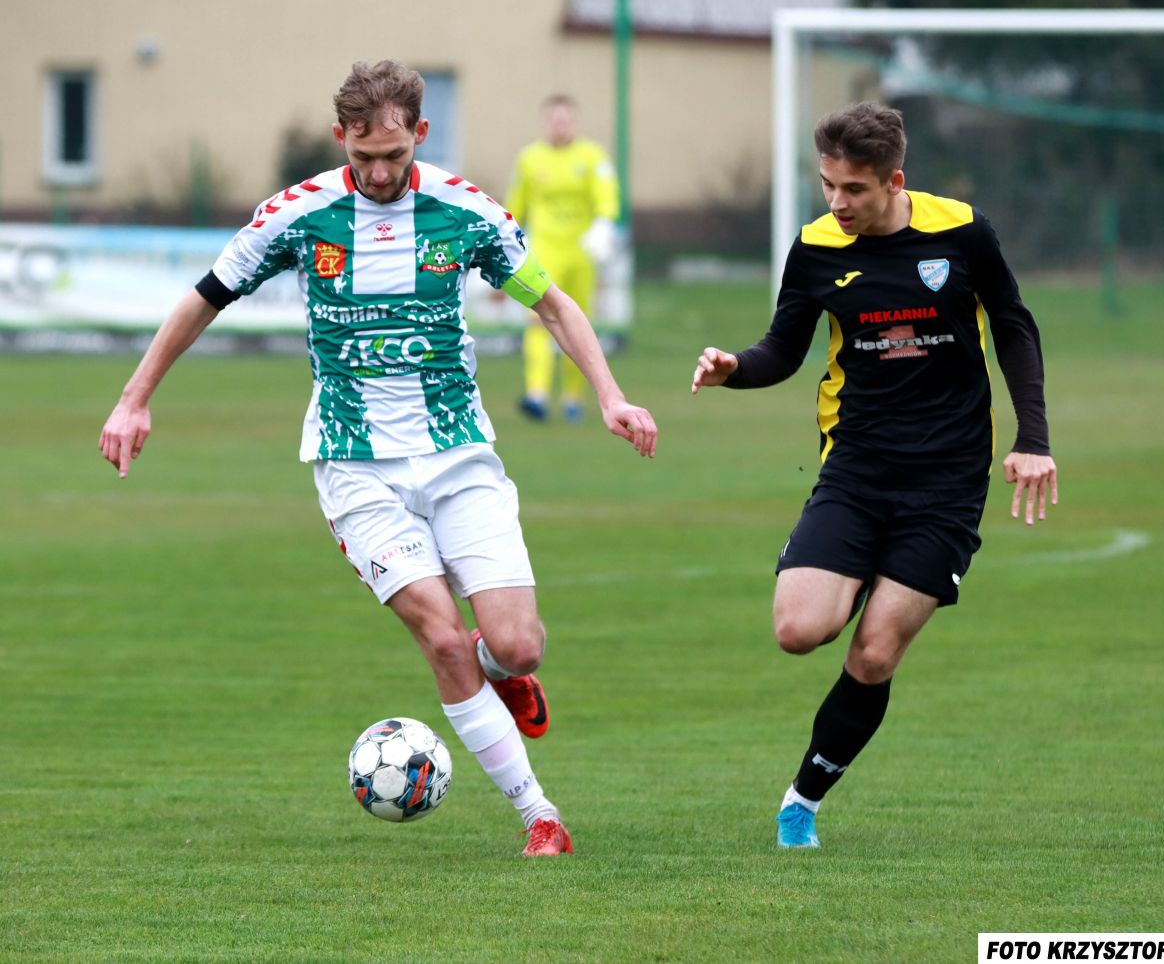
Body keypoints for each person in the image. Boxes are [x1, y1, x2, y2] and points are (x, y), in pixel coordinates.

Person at [99, 60, 658, 857]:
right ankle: (540, 816)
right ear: (342, 138)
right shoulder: (298, 215)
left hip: (458, 454)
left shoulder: (466, 213)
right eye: (363, 156)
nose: (380, 172)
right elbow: (205, 296)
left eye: (394, 154)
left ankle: (505, 671)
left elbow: (554, 304)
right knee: (441, 638)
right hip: (354, 463)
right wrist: (134, 398)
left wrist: (610, 396)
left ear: (420, 134)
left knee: (518, 645)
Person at [690, 102, 1057, 850]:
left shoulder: (962, 232)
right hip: (856, 467)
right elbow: (783, 349)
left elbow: (1014, 326)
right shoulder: (816, 247)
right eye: (827, 184)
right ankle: (846, 571)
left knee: (876, 652)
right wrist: (735, 368)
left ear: (894, 181)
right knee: (799, 630)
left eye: (853, 188)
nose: (836, 202)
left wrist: (1034, 439)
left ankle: (802, 801)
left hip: (948, 481)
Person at [506, 94, 620, 422]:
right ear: (546, 122)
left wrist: (604, 224)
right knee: (537, 319)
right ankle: (537, 393)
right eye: (555, 120)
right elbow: (516, 205)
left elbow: (606, 195)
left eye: (565, 120)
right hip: (544, 251)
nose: (560, 125)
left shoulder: (592, 157)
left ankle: (573, 396)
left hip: (581, 251)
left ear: (574, 121)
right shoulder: (530, 159)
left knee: (579, 322)